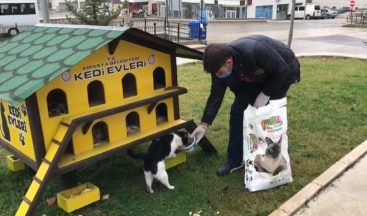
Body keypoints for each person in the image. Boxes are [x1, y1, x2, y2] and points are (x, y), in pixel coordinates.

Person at [191, 35, 300, 176]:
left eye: (220, 73)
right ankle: (235, 160)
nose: (218, 76)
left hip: (283, 70)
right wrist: (204, 124)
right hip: (256, 76)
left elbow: (282, 70)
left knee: (269, 114)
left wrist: (266, 93)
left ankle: (273, 158)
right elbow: (216, 94)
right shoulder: (218, 65)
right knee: (237, 112)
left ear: (229, 62)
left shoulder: (254, 51)